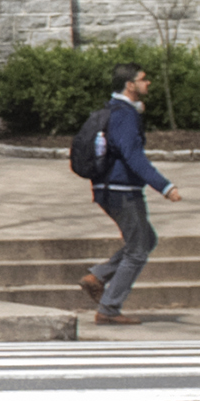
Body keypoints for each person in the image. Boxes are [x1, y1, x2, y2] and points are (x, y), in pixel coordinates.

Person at [81, 62, 180, 325]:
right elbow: (132, 155)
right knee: (138, 250)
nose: (148, 83)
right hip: (121, 191)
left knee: (146, 238)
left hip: (111, 188)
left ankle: (99, 275)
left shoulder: (118, 110)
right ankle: (109, 309)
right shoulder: (124, 115)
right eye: (143, 79)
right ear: (130, 85)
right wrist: (164, 186)